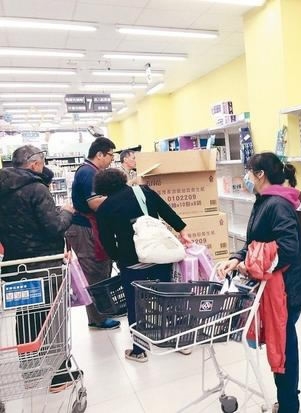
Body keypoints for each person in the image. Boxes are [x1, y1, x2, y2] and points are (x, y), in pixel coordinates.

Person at [217, 152, 301, 413]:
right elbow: (255, 242)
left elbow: (287, 248)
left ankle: (289, 406)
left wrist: (253, 266)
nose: (245, 177)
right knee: (282, 345)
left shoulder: (276, 205)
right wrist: (236, 259)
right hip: (276, 290)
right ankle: (287, 401)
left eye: (248, 171)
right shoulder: (264, 201)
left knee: (284, 349)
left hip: (286, 291)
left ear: (260, 174)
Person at [0, 145, 81, 392]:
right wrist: (66, 212)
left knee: (26, 318)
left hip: (16, 266)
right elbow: (54, 227)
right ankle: (59, 376)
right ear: (35, 164)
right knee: (52, 320)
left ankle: (30, 372)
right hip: (45, 266)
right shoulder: (36, 189)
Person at [94, 168, 193, 362]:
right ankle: (179, 341)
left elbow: (106, 240)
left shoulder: (105, 208)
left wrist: (117, 257)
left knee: (135, 304)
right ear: (122, 179)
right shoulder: (143, 191)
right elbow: (166, 211)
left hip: (132, 261)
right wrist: (182, 231)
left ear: (102, 188)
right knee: (168, 297)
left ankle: (139, 350)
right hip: (159, 255)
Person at [65, 137, 121, 330]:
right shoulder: (88, 173)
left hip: (89, 227)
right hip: (86, 229)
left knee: (99, 269)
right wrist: (118, 199)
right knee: (95, 271)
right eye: (110, 155)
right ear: (100, 154)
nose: (112, 160)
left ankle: (99, 314)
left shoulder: (91, 171)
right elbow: (95, 203)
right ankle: (98, 318)